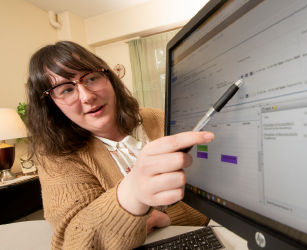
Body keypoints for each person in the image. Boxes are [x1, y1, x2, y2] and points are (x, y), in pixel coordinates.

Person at [25, 41, 214, 249]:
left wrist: (168, 217)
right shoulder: (54, 156)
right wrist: (132, 191)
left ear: (109, 78)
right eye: (66, 90)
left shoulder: (160, 120)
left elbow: (216, 197)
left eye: (91, 78)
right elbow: (74, 241)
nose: (88, 96)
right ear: (51, 105)